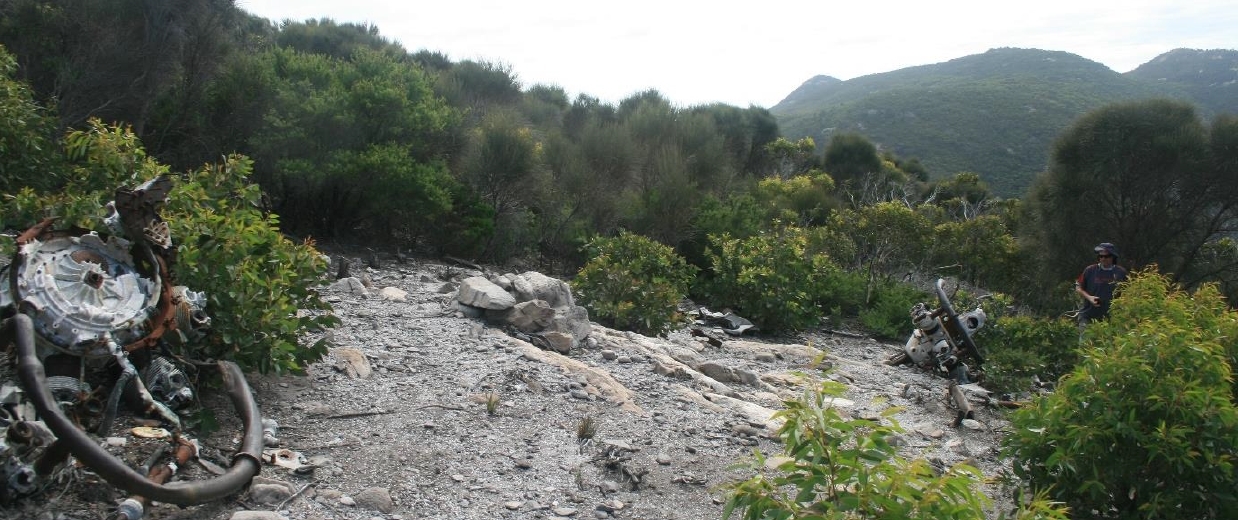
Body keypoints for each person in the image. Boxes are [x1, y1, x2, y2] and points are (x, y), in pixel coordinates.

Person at [1074, 242, 1128, 326]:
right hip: (1088, 315)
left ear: (1112, 257)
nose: (1103, 258)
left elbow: (1128, 291)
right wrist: (1090, 298)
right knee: (1086, 339)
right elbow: (1078, 287)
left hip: (1110, 318)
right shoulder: (1090, 270)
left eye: (1106, 256)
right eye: (1101, 256)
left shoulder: (1121, 272)